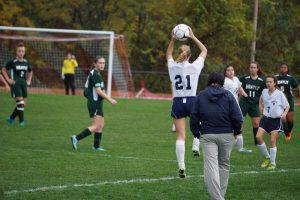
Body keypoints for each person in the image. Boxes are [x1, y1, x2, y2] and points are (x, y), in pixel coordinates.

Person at [190, 72, 243, 200]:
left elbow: (194, 116)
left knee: (211, 166)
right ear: (222, 82)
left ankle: (218, 198)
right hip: (227, 134)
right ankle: (219, 197)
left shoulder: (201, 95)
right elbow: (237, 116)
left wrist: (196, 132)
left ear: (209, 81)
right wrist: (237, 132)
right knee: (224, 165)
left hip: (208, 135)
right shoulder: (229, 95)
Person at [166, 27, 207, 178]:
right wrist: (193, 36)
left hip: (177, 102)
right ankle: (196, 144)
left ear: (179, 54)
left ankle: (181, 166)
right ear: (190, 55)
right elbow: (204, 51)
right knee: (201, 126)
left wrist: (172, 39)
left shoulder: (172, 66)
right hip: (192, 100)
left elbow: (168, 54)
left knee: (180, 136)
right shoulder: (195, 66)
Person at [71, 56, 117, 151]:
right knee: (96, 126)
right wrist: (110, 99)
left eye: (103, 63)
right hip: (94, 103)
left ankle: (96, 146)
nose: (102, 65)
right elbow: (99, 91)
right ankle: (76, 138)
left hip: (97, 102)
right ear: (95, 63)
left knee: (101, 125)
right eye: (100, 63)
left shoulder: (96, 73)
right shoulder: (95, 75)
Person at [256, 75, 290, 170]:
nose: (268, 83)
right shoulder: (264, 91)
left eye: (270, 82)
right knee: (258, 137)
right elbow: (261, 100)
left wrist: (284, 114)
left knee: (272, 140)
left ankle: (272, 163)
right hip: (265, 118)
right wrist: (260, 107)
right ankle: (267, 157)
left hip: (276, 120)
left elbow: (287, 106)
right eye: (267, 82)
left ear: (274, 83)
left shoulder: (279, 94)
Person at [1, 42, 33, 126]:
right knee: (20, 103)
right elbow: (3, 70)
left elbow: (30, 71)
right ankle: (22, 122)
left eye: (22, 51)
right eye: (19, 51)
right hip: (15, 84)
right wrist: (8, 80)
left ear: (24, 52)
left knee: (22, 105)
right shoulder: (12, 62)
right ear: (16, 52)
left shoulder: (26, 62)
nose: (21, 53)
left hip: (23, 85)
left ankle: (11, 119)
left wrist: (29, 80)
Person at [223, 64, 252, 153]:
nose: (231, 71)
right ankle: (231, 146)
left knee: (239, 123)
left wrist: (245, 94)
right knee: (234, 124)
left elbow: (240, 87)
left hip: (236, 105)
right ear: (225, 73)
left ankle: (240, 148)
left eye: (232, 70)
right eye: (228, 70)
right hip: (228, 107)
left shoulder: (235, 79)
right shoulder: (225, 82)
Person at [239, 62, 265, 145]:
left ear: (257, 69)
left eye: (254, 67)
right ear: (249, 69)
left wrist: (261, 103)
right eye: (251, 67)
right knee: (239, 121)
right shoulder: (244, 78)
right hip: (244, 102)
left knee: (256, 123)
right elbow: (238, 86)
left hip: (254, 104)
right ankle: (238, 141)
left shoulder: (262, 81)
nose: (252, 69)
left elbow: (263, 93)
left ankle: (256, 142)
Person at [275, 63, 299, 141]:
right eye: (281, 67)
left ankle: (289, 131)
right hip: (279, 100)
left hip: (289, 99)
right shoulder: (276, 77)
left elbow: (297, 87)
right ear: (279, 68)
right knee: (282, 117)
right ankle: (287, 134)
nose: (283, 69)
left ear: (287, 69)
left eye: (285, 67)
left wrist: (293, 92)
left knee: (290, 119)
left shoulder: (291, 78)